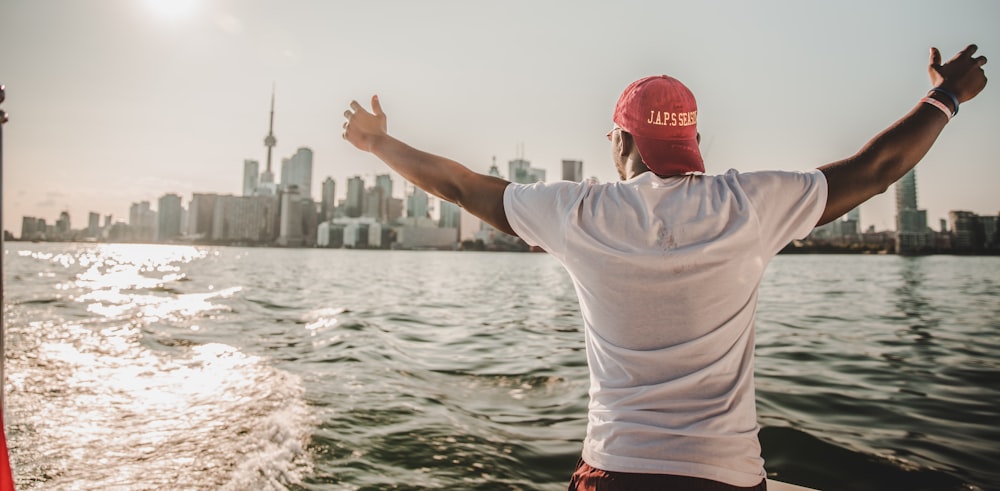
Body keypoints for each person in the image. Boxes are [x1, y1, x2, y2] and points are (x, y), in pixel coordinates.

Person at [341, 44, 987, 490]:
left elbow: (461, 188)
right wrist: (948, 95)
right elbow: (876, 170)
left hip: (614, 472)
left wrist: (378, 141)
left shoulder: (581, 213)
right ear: (691, 143)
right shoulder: (748, 205)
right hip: (726, 476)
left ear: (624, 142)